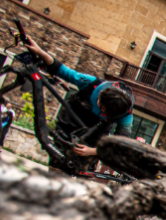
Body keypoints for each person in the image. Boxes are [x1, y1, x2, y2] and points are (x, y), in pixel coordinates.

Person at [22, 35, 134, 173]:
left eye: (107, 113)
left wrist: (93, 151)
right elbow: (62, 71)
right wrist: (39, 51)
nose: (102, 112)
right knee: (56, 167)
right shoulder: (91, 83)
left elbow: (119, 143)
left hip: (94, 137)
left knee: (75, 170)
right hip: (69, 122)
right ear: (100, 98)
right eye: (101, 108)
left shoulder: (126, 115)